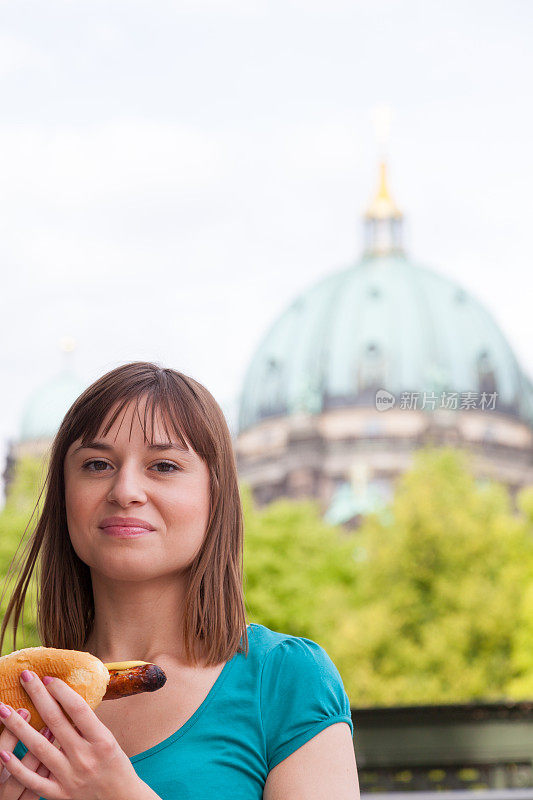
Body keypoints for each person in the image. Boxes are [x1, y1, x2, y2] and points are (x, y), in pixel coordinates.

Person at [0, 361, 359, 799]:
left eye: (164, 466)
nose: (125, 490)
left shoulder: (287, 679)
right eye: (97, 464)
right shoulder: (16, 697)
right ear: (62, 494)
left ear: (216, 495)